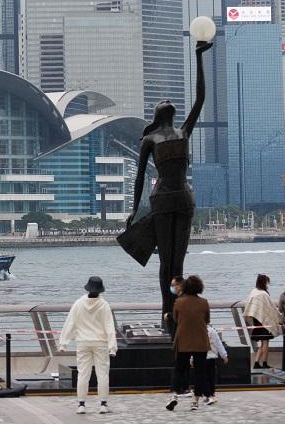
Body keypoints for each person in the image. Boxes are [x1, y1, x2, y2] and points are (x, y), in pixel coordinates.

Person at [122, 39, 213, 325]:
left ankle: (178, 309)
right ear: (158, 113)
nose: (165, 100)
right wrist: (134, 211)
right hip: (161, 201)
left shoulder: (184, 132)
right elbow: (139, 177)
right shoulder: (150, 139)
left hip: (183, 200)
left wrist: (198, 57)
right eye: (161, 101)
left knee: (179, 262)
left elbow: (200, 99)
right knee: (165, 263)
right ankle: (167, 311)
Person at [59, 276, 117, 415]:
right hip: (100, 343)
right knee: (102, 374)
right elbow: (109, 327)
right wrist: (112, 347)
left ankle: (81, 404)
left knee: (83, 374)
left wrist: (63, 343)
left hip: (83, 342)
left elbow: (70, 323)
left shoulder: (78, 303)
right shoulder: (104, 305)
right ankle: (103, 404)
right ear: (100, 290)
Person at [166, 275, 211, 412]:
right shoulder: (204, 302)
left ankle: (174, 395)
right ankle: (195, 401)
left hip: (183, 340)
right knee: (200, 372)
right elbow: (207, 320)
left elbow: (176, 318)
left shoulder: (179, 302)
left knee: (179, 369)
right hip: (200, 341)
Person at [242, 274, 281, 369]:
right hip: (264, 322)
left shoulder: (254, 292)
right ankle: (264, 363)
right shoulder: (263, 294)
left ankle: (256, 363)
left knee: (262, 344)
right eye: (267, 282)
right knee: (266, 343)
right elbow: (271, 308)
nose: (268, 284)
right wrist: (279, 317)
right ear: (264, 283)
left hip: (257, 321)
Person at [203, 323, 227, 406]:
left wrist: (191, 358)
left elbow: (194, 345)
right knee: (211, 377)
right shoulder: (213, 331)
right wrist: (224, 355)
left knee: (204, 377)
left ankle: (208, 395)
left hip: (202, 358)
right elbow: (218, 344)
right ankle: (211, 394)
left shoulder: (198, 331)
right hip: (212, 358)